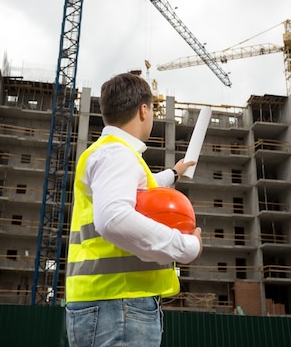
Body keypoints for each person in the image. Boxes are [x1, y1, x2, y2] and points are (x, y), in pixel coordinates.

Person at [65, 72, 203, 346]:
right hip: (118, 305)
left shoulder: (108, 152)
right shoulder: (118, 155)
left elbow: (139, 191)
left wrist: (174, 173)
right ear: (143, 110)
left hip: (108, 303)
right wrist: (186, 247)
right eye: (153, 109)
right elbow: (114, 219)